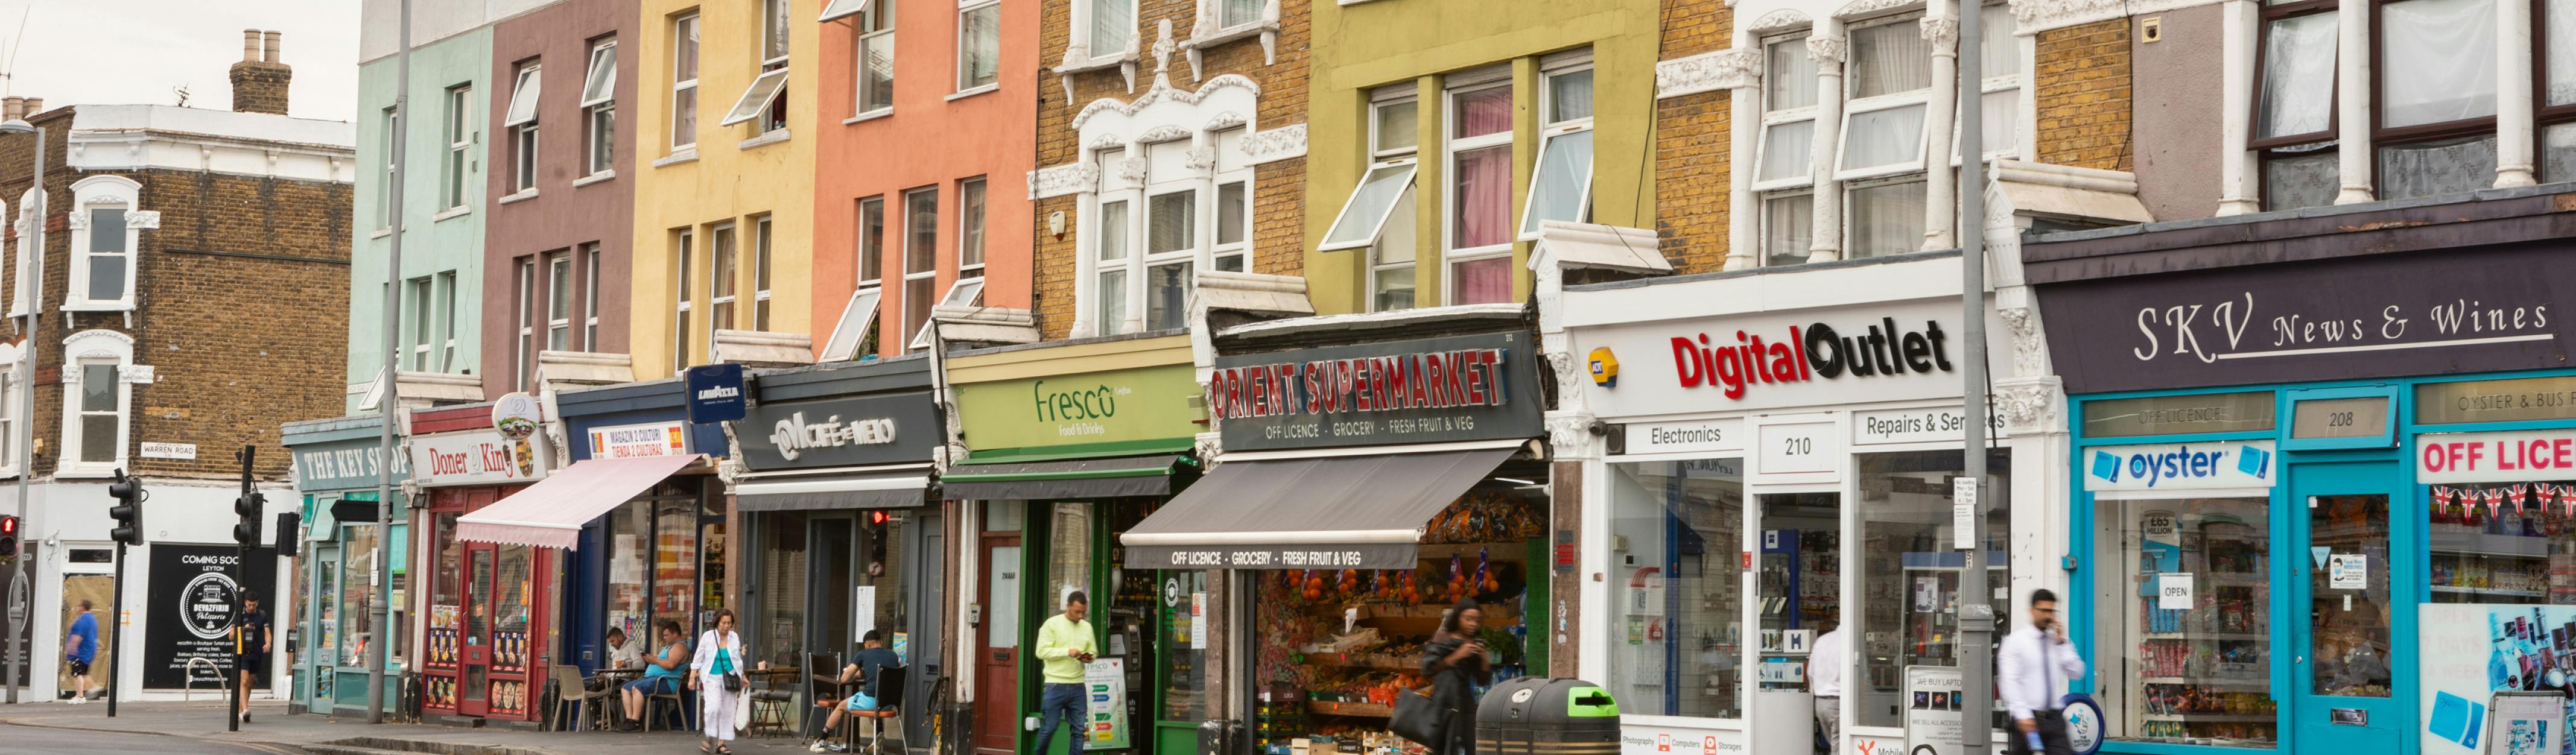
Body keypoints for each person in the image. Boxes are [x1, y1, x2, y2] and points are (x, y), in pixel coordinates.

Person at [2000, 589, 2087, 755]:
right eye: (2044, 611)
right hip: (2026, 721)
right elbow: (2010, 682)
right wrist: (2023, 715)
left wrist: (2062, 644)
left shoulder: (2058, 642)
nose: (2048, 616)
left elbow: (2078, 672)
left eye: (2051, 611)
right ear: (2032, 611)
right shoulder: (2016, 642)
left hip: (2054, 720)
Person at [809, 630, 905, 753]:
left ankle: (821, 741)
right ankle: (878, 735)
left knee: (841, 706)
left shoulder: (863, 655)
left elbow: (844, 679)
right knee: (874, 703)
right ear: (880, 642)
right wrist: (864, 673)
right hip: (890, 704)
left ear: (868, 644)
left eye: (865, 646)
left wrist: (855, 675)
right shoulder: (893, 655)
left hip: (872, 701)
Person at [1420, 599, 1491, 755]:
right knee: (1446, 748)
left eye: (1477, 621)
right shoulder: (1443, 637)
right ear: (1458, 618)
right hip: (1444, 702)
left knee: (1474, 747)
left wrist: (1484, 659)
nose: (1473, 624)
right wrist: (1457, 655)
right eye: (1468, 619)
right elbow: (1428, 669)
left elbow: (1482, 680)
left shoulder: (1472, 643)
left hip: (1466, 704)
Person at [1032, 592, 1099, 755]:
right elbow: (1041, 652)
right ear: (1068, 607)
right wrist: (1067, 652)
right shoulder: (1052, 624)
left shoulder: (1087, 627)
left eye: (1083, 612)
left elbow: (1094, 653)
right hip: (1055, 684)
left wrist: (1088, 658)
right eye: (1077, 611)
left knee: (1078, 730)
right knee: (1050, 727)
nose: (1080, 615)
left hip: (1078, 685)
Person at [691, 608, 748, 754]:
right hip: (711, 677)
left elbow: (737, 660)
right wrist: (692, 677)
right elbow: (698, 657)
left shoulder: (734, 637)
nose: (726, 626)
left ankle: (722, 743)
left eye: (729, 623)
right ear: (717, 622)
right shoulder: (708, 637)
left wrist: (743, 676)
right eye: (724, 623)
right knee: (713, 708)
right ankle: (709, 736)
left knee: (728, 710)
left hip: (730, 677)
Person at [619, 620, 690, 731]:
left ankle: (636, 722)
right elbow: (662, 661)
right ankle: (629, 719)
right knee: (625, 688)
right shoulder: (669, 646)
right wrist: (651, 660)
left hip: (666, 681)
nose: (665, 638)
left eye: (667, 635)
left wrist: (654, 660)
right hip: (653, 679)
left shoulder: (680, 647)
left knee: (637, 688)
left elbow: (671, 664)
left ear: (675, 634)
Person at [1808, 621, 1845, 754]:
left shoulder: (1822, 641)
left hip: (1820, 702)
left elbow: (1810, 672)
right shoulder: (1849, 641)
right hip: (1838, 701)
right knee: (1841, 745)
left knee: (1836, 743)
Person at [236, 591, 271, 723]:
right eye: (249, 605)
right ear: (245, 603)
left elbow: (268, 633)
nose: (251, 607)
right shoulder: (240, 615)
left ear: (257, 603)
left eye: (254, 605)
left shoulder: (262, 615)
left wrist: (268, 644)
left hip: (257, 652)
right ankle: (246, 710)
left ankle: (241, 710)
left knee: (249, 684)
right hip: (243, 652)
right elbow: (231, 636)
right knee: (243, 681)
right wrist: (242, 629)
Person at [65, 601, 98, 704]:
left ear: (83, 607)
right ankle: (93, 687)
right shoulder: (92, 618)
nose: (77, 608)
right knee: (83, 673)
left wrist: (72, 647)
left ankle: (80, 696)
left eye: (78, 606)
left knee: (77, 673)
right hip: (88, 649)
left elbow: (79, 634)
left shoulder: (83, 619)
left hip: (81, 650)